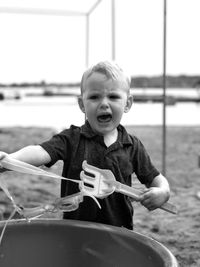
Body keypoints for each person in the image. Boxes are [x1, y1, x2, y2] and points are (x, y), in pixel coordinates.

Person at [0, 61, 170, 230]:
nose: (104, 103)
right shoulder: (72, 139)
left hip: (119, 231)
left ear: (127, 103)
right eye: (95, 97)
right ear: (82, 104)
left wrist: (163, 192)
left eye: (113, 97)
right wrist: (10, 160)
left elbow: (155, 178)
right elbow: (40, 152)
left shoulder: (132, 146)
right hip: (76, 231)